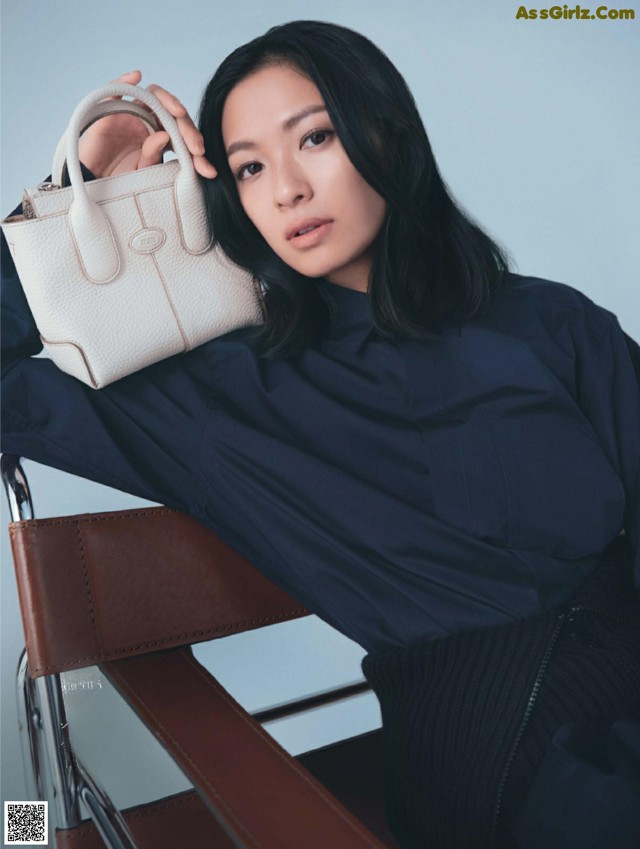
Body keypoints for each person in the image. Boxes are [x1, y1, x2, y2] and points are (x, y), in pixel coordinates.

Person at [2, 19, 639, 849]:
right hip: (504, 755)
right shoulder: (213, 390)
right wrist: (77, 189)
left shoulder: (549, 321)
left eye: (318, 137)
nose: (288, 188)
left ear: (388, 133)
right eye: (250, 167)